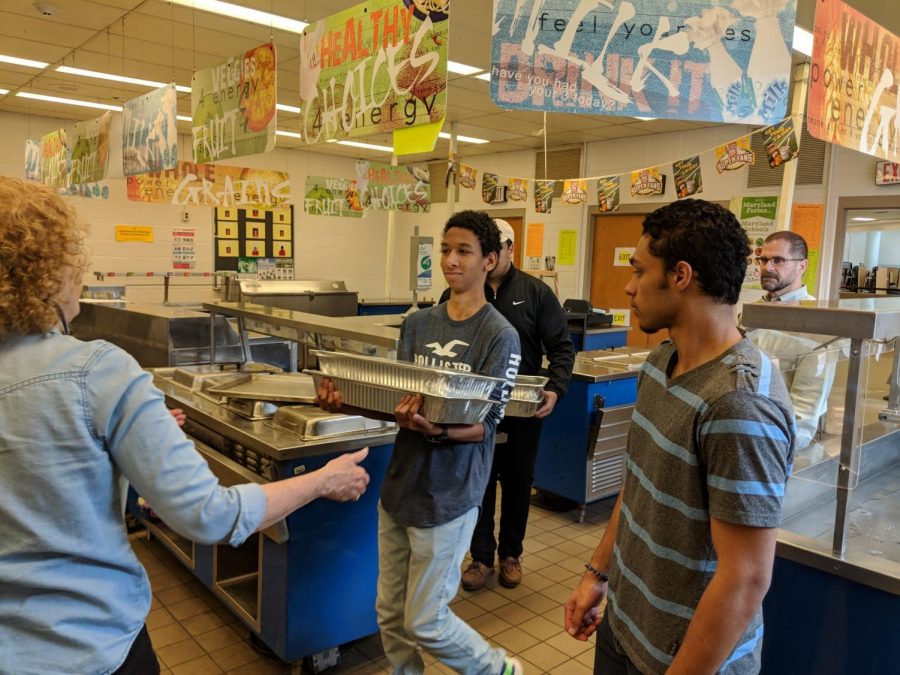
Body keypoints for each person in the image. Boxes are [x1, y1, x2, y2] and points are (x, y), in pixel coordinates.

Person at [0, 176, 370, 675]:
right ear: (47, 271)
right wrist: (324, 479)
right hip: (85, 645)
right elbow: (209, 516)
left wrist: (127, 450)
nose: (81, 283)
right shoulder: (95, 371)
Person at [564, 199, 795, 675]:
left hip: (687, 658)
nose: (628, 287)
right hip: (624, 628)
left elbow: (746, 578)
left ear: (681, 275)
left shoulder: (738, 402)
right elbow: (638, 482)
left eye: (639, 271)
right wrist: (598, 573)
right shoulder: (658, 363)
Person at [317, 210, 524, 675]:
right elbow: (400, 408)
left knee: (426, 620)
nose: (450, 260)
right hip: (399, 488)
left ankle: (498, 670)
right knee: (390, 615)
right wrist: (346, 404)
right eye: (446, 249)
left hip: (448, 497)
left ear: (489, 260)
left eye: (464, 251)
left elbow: (487, 425)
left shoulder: (500, 336)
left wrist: (438, 431)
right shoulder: (418, 324)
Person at [442, 218, 575, 591]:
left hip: (521, 410)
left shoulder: (535, 293)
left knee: (517, 483)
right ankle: (480, 557)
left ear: (508, 249)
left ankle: (511, 554)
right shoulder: (462, 290)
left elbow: (562, 348)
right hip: (473, 408)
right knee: (477, 481)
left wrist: (556, 388)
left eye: (492, 249)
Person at [747, 231, 840, 450]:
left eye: (778, 260)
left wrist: (769, 450)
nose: (767, 267)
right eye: (763, 259)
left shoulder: (818, 323)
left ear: (802, 266)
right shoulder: (750, 312)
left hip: (773, 445)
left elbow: (804, 415)